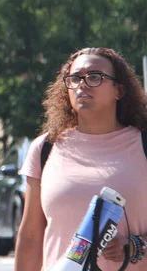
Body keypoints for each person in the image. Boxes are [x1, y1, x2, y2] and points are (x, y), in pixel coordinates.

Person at [15, 47, 147, 270]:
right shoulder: (45, 148)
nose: (82, 84)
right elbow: (30, 237)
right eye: (75, 78)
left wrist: (136, 246)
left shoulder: (143, 145)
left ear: (119, 90)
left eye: (95, 77)